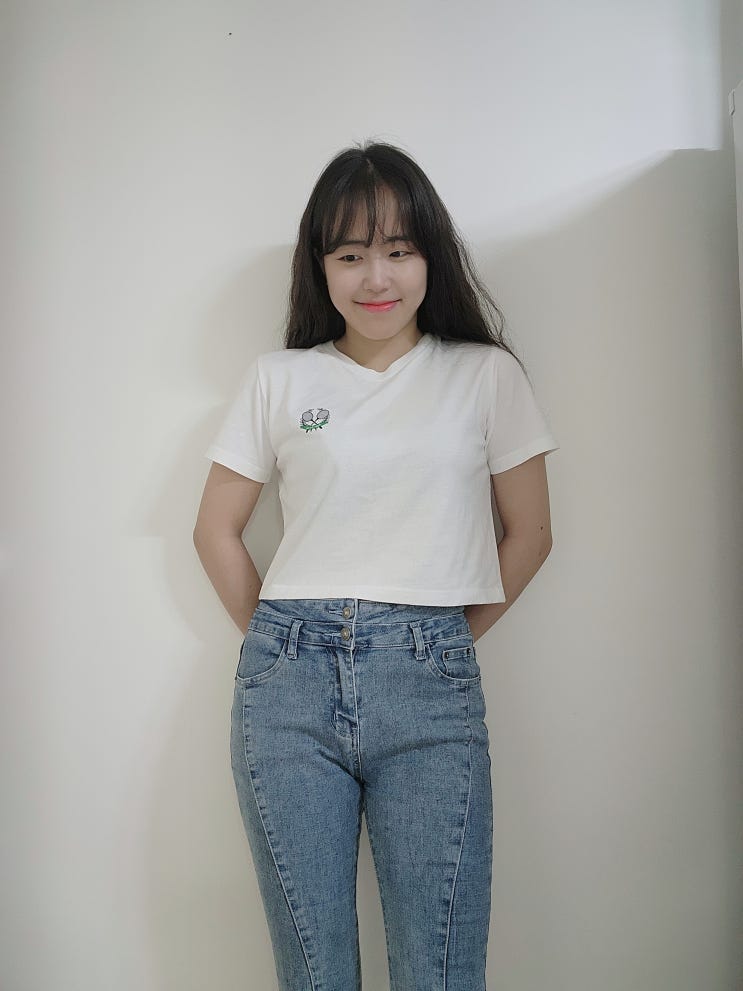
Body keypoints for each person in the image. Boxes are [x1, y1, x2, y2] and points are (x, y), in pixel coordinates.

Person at [193, 140, 559, 991]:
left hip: (429, 683)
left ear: (430, 256)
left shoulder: (484, 375)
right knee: (314, 971)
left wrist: (436, 640)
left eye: (398, 249)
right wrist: (282, 644)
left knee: (439, 967)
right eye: (350, 255)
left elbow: (531, 532)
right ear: (319, 266)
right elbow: (215, 530)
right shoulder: (279, 379)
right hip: (287, 691)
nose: (376, 277)